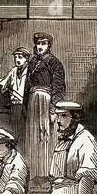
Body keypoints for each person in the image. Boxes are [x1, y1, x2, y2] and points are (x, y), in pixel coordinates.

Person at [25, 32, 66, 179]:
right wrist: (25, 106)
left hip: (46, 102)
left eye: (43, 43)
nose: (40, 46)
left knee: (45, 135)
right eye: (38, 43)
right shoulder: (32, 62)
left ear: (49, 45)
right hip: (33, 101)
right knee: (33, 136)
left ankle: (46, 172)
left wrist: (53, 109)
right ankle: (34, 172)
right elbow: (27, 86)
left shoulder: (54, 62)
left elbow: (59, 87)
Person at [0, 49, 30, 144]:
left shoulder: (30, 72)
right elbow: (4, 83)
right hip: (14, 107)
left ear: (26, 59)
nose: (17, 60)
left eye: (20, 57)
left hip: (25, 107)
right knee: (14, 134)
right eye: (15, 57)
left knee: (24, 134)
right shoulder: (14, 70)